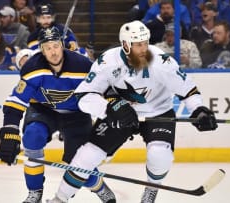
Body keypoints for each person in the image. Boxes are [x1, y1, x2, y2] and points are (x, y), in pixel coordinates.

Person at [47, 20, 218, 203]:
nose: (144, 48)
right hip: (121, 112)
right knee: (87, 155)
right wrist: (109, 108)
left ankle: (151, 189)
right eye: (138, 45)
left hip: (157, 111)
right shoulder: (107, 62)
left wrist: (198, 110)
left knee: (159, 155)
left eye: (145, 43)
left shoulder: (161, 61)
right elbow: (84, 96)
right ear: (126, 45)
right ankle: (60, 199)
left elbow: (188, 90)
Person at [0, 26, 116, 203]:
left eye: (56, 46)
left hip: (76, 113)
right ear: (42, 50)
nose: (53, 52)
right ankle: (34, 192)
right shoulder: (32, 68)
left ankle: (99, 186)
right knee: (32, 137)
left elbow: (104, 88)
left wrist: (115, 107)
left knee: (79, 161)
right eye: (48, 48)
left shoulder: (82, 65)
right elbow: (15, 102)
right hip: (43, 110)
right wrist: (9, 132)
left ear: (62, 45)